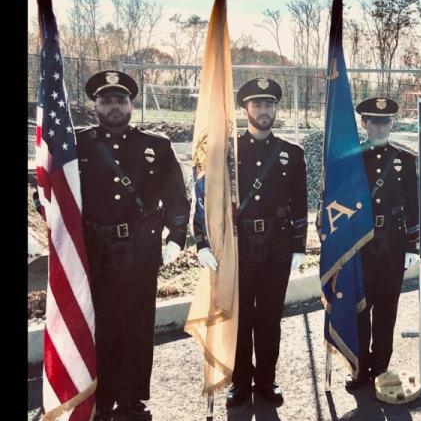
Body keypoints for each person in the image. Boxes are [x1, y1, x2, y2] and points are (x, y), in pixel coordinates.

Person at [51, 70, 190, 419]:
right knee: (99, 324)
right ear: (94, 105)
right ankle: (103, 394)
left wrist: (176, 237)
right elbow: (53, 188)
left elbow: (176, 195)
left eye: (121, 100)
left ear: (132, 104)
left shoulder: (156, 145)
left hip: (140, 250)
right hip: (92, 249)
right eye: (106, 100)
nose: (114, 106)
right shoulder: (75, 144)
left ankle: (132, 396)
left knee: (137, 324)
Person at [195, 77, 308, 407]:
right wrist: (202, 241)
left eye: (269, 104)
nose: (264, 110)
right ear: (245, 109)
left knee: (270, 318)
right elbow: (205, 198)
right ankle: (240, 381)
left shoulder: (292, 153)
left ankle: (267, 381)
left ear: (276, 109)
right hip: (238, 246)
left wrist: (299, 246)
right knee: (240, 317)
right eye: (257, 104)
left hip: (277, 246)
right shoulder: (226, 152)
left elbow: (300, 202)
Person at [343, 97, 421, 389]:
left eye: (385, 121)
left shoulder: (405, 158)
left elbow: (413, 205)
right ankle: (360, 367)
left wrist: (412, 245)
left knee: (387, 309)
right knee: (361, 307)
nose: (379, 127)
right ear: (364, 123)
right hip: (360, 244)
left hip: (393, 243)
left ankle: (381, 367)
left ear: (392, 123)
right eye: (373, 121)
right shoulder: (350, 160)